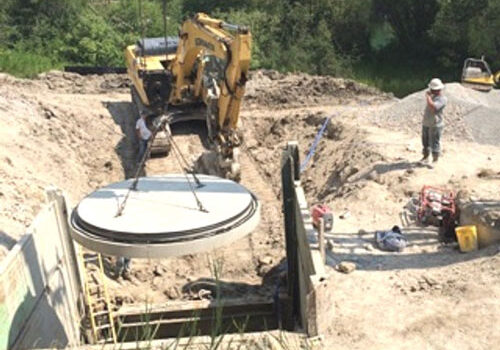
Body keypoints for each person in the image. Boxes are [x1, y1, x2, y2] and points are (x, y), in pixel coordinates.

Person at [421, 78, 447, 165]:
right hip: (427, 122)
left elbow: (433, 107)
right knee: (425, 142)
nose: (431, 91)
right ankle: (425, 157)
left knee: (434, 143)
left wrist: (428, 97)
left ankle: (435, 160)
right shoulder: (432, 97)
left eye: (433, 89)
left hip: (435, 124)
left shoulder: (442, 99)